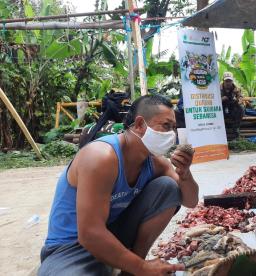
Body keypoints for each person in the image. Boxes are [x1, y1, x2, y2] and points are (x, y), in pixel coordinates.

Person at [38, 94, 199, 275]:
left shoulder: (156, 162)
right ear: (139, 125)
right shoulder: (100, 157)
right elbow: (89, 233)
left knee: (168, 187)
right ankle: (134, 267)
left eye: (174, 128)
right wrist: (143, 268)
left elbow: (191, 201)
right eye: (166, 126)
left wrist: (185, 174)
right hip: (70, 249)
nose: (172, 135)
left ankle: (130, 269)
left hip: (111, 234)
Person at [221, 72, 245, 139]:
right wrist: (221, 99)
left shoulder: (236, 89)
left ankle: (236, 128)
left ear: (232, 81)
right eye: (226, 81)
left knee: (241, 108)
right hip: (222, 108)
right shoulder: (218, 88)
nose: (228, 83)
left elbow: (241, 98)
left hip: (232, 108)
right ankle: (222, 129)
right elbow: (214, 101)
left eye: (229, 81)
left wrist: (238, 100)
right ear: (223, 81)